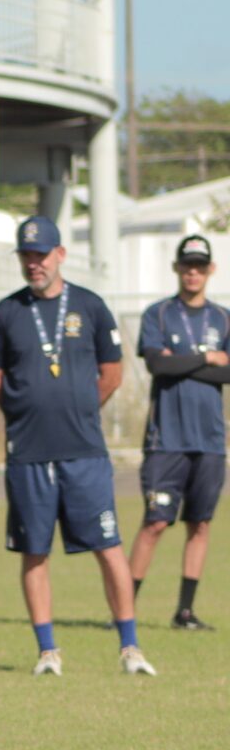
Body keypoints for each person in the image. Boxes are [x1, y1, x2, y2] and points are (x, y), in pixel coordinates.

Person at [0, 217, 153, 677]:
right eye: (26, 255)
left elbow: (112, 372)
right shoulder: (6, 313)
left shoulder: (90, 306)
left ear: (61, 254)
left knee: (108, 545)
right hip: (28, 453)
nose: (34, 263)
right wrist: (26, 410)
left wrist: (76, 408)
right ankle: (47, 651)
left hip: (84, 452)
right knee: (34, 550)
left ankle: (130, 647)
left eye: (41, 254)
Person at [127, 232, 229, 631]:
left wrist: (181, 360)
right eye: (187, 265)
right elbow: (158, 365)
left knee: (200, 524)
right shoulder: (159, 315)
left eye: (200, 266)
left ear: (211, 271)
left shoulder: (222, 318)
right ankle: (126, 607)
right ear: (176, 268)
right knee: (155, 523)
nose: (193, 272)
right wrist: (207, 358)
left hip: (210, 440)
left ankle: (184, 612)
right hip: (166, 439)